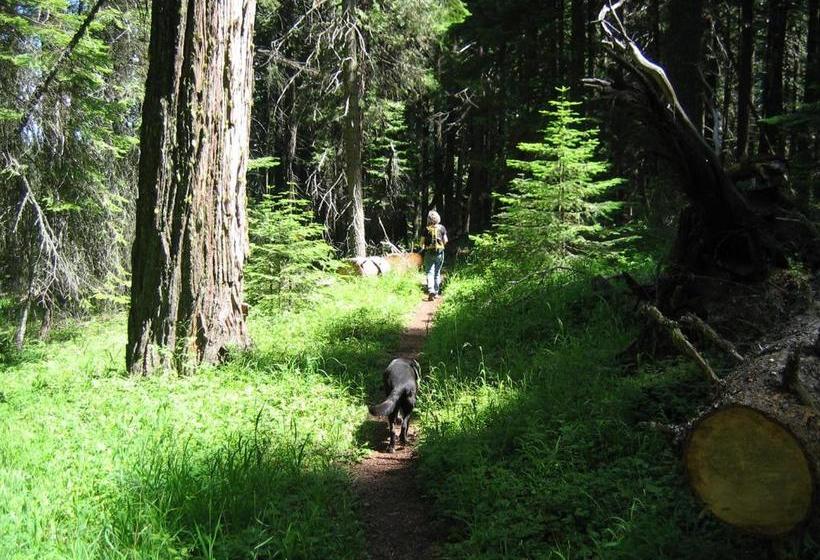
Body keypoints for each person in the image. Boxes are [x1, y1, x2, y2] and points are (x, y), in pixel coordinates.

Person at [421, 210, 448, 301]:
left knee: (430, 272)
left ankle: (431, 290)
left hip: (429, 253)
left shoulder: (426, 229)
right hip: (440, 253)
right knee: (437, 272)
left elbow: (421, 243)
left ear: (429, 219)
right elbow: (446, 240)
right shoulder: (442, 228)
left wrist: (424, 247)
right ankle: (436, 292)